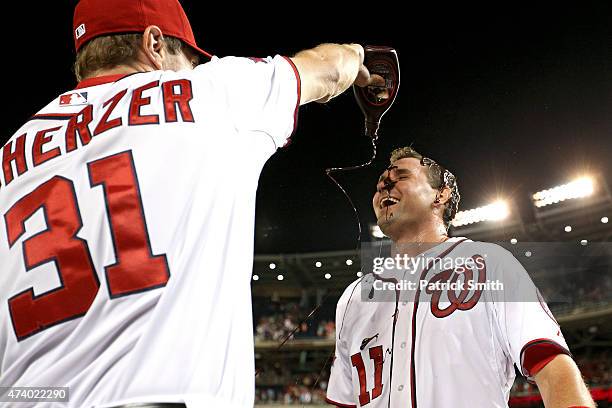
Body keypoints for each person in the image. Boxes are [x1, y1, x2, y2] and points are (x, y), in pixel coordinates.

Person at [0, 1, 384, 407]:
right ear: (154, 43)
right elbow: (327, 68)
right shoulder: (209, 91)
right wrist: (359, 58)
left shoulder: (9, 154)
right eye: (189, 57)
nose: (196, 67)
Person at [326, 146, 595, 407]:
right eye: (381, 182)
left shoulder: (490, 264)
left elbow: (551, 364)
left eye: (402, 177)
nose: (384, 185)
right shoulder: (353, 297)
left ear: (441, 195)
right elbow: (346, 401)